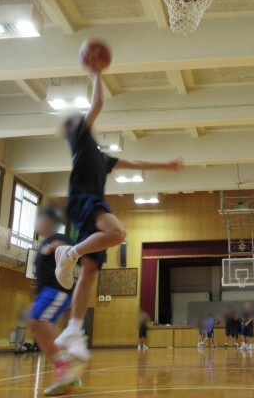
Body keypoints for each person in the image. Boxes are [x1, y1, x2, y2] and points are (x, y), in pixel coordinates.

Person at [53, 40, 183, 361]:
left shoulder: (102, 157)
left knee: (90, 273)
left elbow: (134, 163)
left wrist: (164, 166)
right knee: (118, 233)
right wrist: (97, 73)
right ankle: (68, 252)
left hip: (89, 207)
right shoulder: (80, 140)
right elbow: (97, 104)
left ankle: (72, 329)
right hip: (83, 199)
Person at [28, 205, 85, 396]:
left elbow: (74, 253)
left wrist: (61, 247)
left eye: (40, 218)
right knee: (36, 326)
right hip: (45, 292)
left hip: (57, 290)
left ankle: (68, 366)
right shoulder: (42, 245)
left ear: (49, 221)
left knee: (38, 321)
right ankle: (66, 370)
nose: (37, 222)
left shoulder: (60, 238)